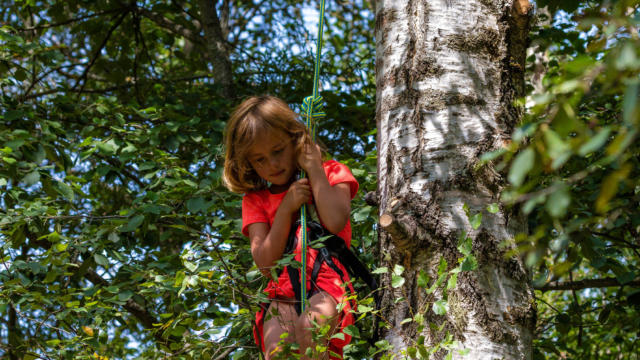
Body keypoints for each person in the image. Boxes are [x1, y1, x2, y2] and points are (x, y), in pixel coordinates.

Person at [223, 95, 359, 360]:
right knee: (278, 351)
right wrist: (285, 208)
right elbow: (265, 263)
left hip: (326, 282)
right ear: (249, 163)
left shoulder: (331, 173)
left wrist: (315, 169)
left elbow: (334, 222)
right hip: (280, 292)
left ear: (296, 140)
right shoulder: (256, 201)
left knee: (311, 331)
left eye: (277, 151)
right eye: (259, 160)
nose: (272, 165)